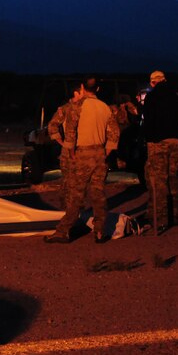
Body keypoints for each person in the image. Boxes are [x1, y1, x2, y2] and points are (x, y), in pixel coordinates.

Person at [46, 75, 120, 244]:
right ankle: (100, 231)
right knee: (98, 194)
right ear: (98, 89)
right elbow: (114, 133)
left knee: (76, 195)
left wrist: (70, 150)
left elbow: (71, 131)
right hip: (100, 154)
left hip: (82, 154)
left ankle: (63, 231)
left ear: (82, 87)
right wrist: (106, 151)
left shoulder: (76, 107)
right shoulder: (105, 108)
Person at [141, 70, 178, 233]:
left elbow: (148, 122)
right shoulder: (176, 96)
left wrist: (148, 140)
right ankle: (175, 216)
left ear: (153, 82)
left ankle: (160, 219)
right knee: (172, 178)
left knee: (159, 181)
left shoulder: (151, 98)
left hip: (157, 143)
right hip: (175, 142)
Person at [47, 86, 83, 207]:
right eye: (82, 92)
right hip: (68, 152)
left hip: (82, 150)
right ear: (76, 93)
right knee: (68, 182)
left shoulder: (85, 108)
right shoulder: (65, 109)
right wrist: (62, 142)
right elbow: (52, 126)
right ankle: (66, 209)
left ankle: (75, 209)